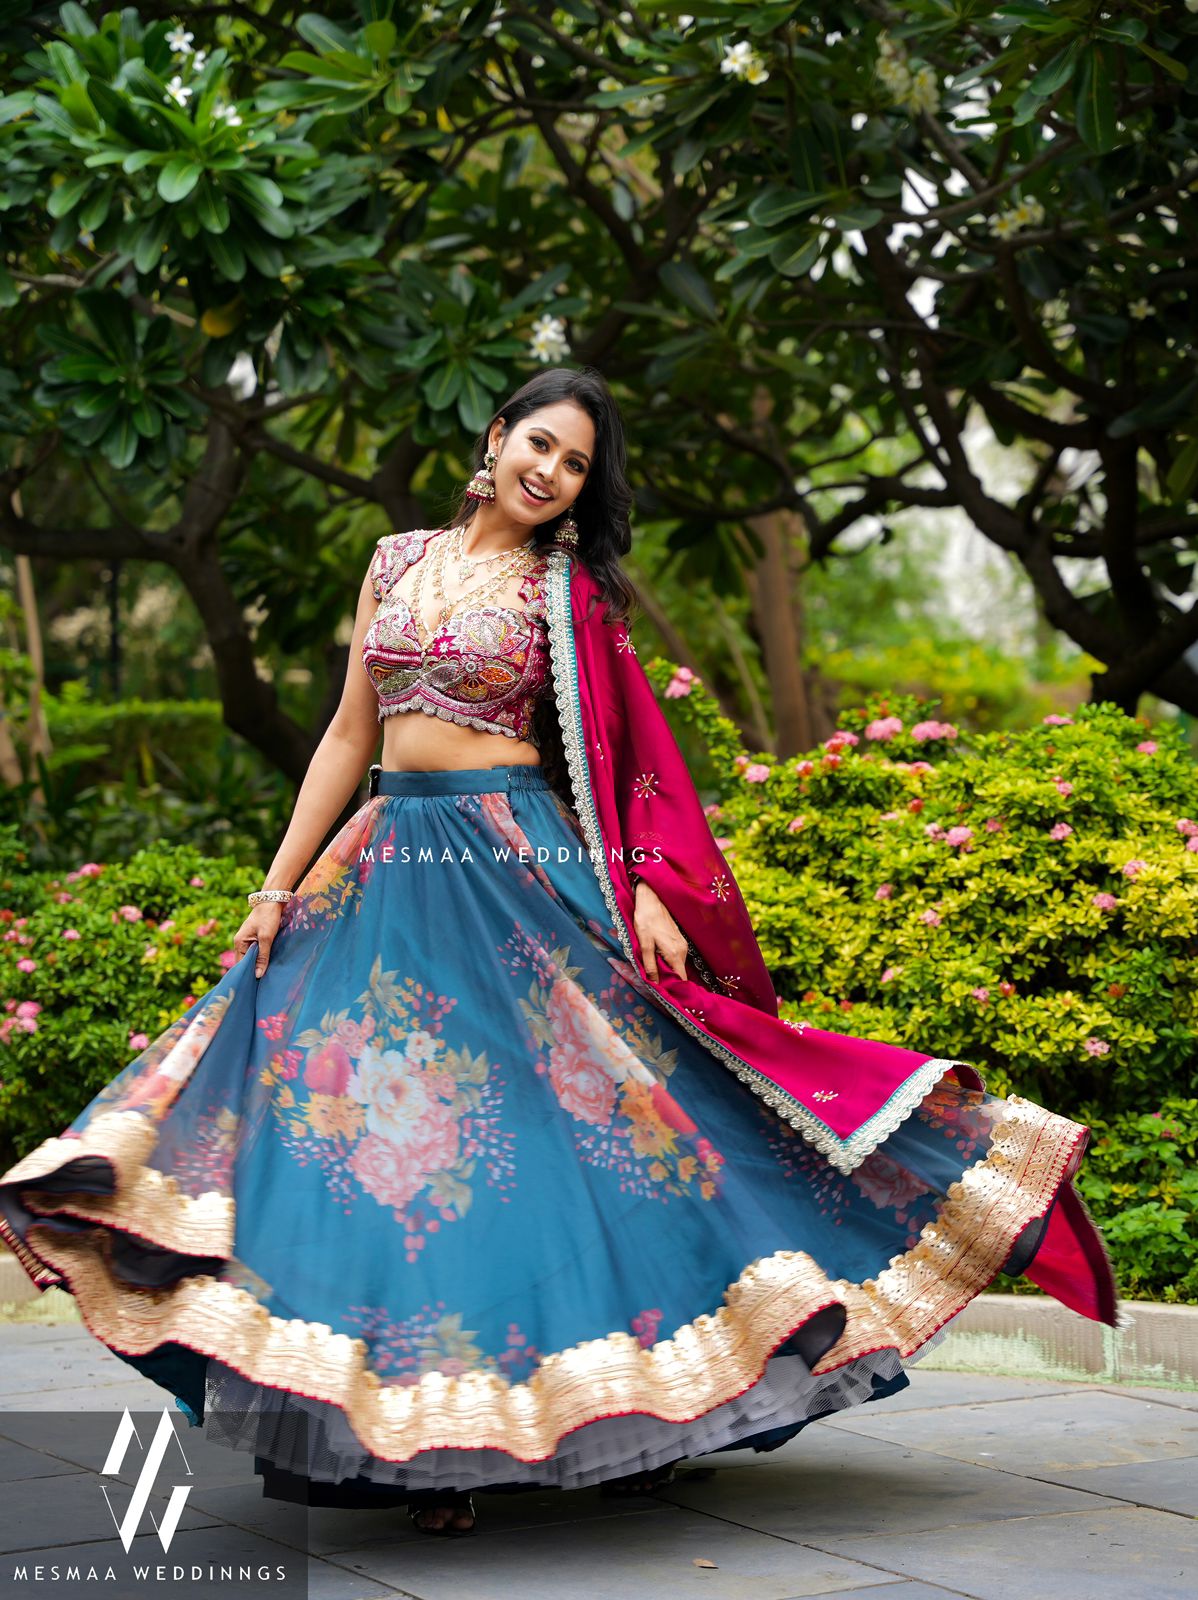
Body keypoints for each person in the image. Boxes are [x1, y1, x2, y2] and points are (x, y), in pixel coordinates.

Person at [0, 366, 1122, 1539]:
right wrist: (278, 883)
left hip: (512, 869)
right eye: (540, 443)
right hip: (385, 867)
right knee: (382, 1148)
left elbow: (628, 755)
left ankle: (609, 1405)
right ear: (496, 437)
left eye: (576, 463)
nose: (550, 470)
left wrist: (648, 890)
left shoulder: (566, 594)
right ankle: (423, 1439)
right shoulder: (394, 559)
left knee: (564, 1139)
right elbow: (346, 732)